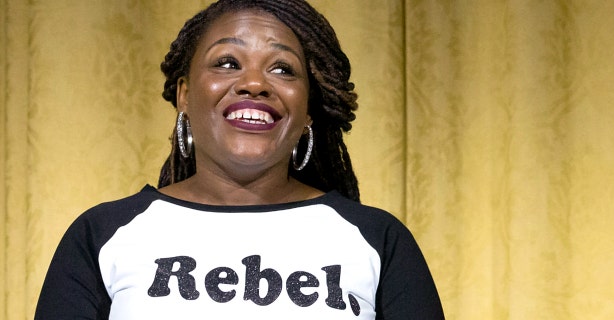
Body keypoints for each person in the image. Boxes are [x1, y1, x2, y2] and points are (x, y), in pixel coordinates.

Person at [34, 0, 444, 319]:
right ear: (184, 94)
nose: (253, 83)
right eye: (227, 63)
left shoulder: (378, 240)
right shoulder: (102, 235)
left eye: (283, 69)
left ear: (308, 112)